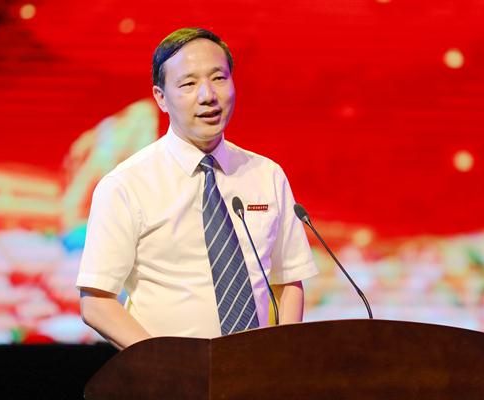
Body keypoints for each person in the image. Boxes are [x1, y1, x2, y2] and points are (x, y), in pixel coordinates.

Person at [76, 27, 318, 350]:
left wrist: (282, 356)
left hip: (256, 369)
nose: (207, 95)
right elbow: (96, 301)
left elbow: (288, 281)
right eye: (188, 84)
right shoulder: (126, 185)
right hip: (168, 373)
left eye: (218, 78)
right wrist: (163, 364)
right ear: (160, 97)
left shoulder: (266, 175)